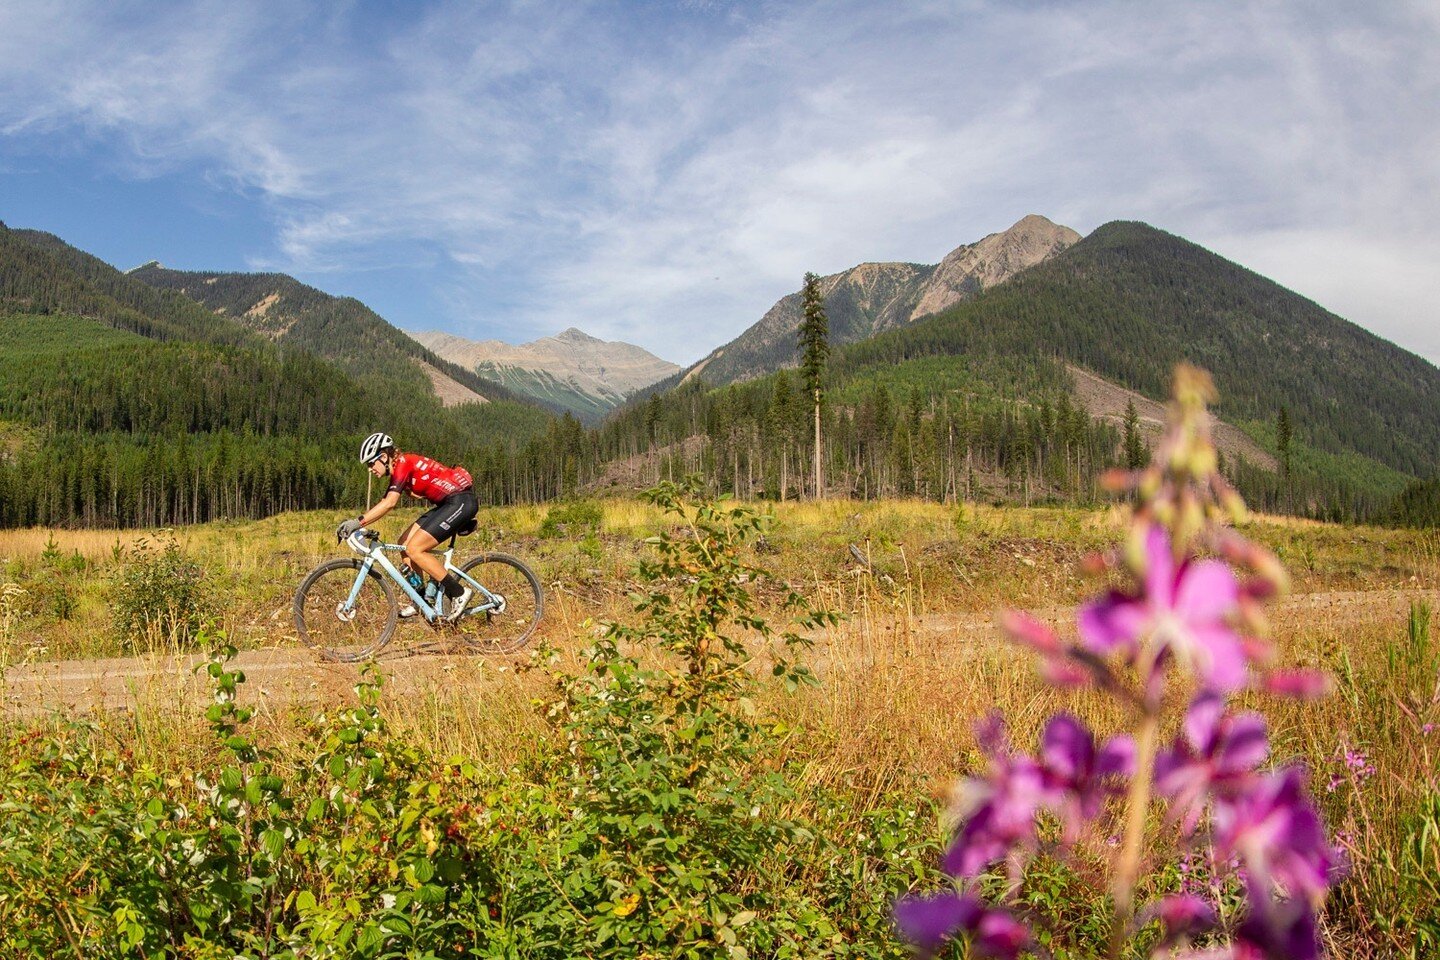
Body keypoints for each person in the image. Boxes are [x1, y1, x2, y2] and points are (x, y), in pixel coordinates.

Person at [336, 432, 477, 621]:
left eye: (371, 463)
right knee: (404, 544)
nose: (370, 469)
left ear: (384, 457)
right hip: (447, 504)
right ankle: (421, 600)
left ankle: (459, 593)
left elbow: (389, 503)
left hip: (459, 502)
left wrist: (357, 522)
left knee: (415, 548)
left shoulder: (403, 463)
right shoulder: (400, 467)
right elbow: (387, 500)